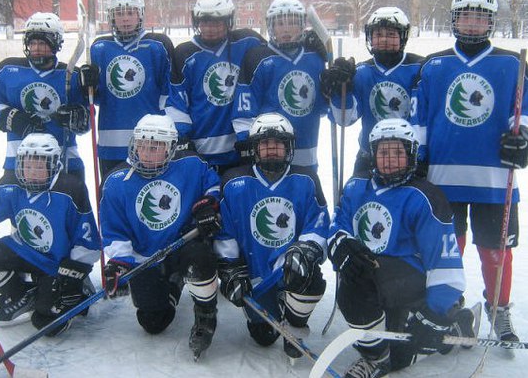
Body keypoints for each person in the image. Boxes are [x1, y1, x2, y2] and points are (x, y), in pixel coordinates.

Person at [412, 0, 528, 343]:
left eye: (480, 16)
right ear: (455, 19)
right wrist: (418, 159)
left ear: (490, 22)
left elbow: (522, 111)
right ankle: (449, 306)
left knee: (496, 253)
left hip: (493, 180)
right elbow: (421, 119)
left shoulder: (512, 64)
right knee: (448, 250)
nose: (473, 23)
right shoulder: (435, 65)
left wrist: (521, 138)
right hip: (443, 179)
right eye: (466, 15)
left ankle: (499, 310)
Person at [327, 119, 474, 378]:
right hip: (374, 279)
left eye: (398, 152)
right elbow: (338, 225)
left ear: (411, 155)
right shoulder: (355, 187)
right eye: (384, 152)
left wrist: (436, 312)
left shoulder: (425, 197)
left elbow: (444, 261)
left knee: (410, 348)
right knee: (397, 353)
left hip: (410, 283)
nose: (391, 160)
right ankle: (377, 357)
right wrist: (341, 245)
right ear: (372, 155)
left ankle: (453, 320)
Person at [0, 133, 101, 336]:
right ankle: (20, 293)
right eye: (27, 165)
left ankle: (77, 293)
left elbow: (87, 236)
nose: (32, 172)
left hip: (56, 263)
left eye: (39, 166)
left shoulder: (70, 188)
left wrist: (76, 269)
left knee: (46, 322)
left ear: (53, 165)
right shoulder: (10, 184)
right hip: (22, 250)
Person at [99, 114, 222, 360]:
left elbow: (214, 185)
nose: (147, 151)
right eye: (143, 144)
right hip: (146, 258)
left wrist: (207, 205)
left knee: (201, 259)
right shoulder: (115, 182)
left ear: (171, 148)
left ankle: (206, 314)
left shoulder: (190, 165)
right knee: (152, 322)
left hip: (183, 244)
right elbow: (114, 230)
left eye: (156, 146)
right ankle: (174, 284)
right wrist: (119, 262)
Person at [214, 113, 329, 359]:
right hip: (256, 275)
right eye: (265, 144)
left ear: (289, 147)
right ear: (255, 148)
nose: (272, 149)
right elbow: (226, 232)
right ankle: (269, 305)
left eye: (278, 143)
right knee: (263, 336)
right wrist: (231, 268)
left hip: (290, 265)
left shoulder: (306, 179)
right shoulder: (234, 182)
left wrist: (306, 250)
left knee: (310, 277)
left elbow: (318, 223)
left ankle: (295, 326)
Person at [165, 0, 265, 174]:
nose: (210, 28)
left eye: (217, 22)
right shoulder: (184, 54)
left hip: (241, 148)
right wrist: (182, 138)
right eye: (204, 22)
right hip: (201, 150)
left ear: (228, 21)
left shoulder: (248, 42)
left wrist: (309, 43)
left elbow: (275, 56)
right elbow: (177, 102)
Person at [80, 0, 175, 179]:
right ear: (111, 17)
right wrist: (88, 85)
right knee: (113, 197)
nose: (125, 19)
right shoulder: (99, 48)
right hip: (111, 142)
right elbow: (96, 98)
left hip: (150, 142)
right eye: (119, 13)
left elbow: (168, 94)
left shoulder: (156, 47)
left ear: (140, 15)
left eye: (130, 13)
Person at [0, 12, 90, 182]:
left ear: (56, 43)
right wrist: (11, 118)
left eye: (42, 43)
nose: (36, 48)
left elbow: (86, 119)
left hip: (65, 163)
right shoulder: (7, 70)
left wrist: (77, 117)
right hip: (19, 162)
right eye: (32, 42)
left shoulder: (72, 75)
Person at [322, 7, 423, 177]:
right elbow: (345, 120)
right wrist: (340, 91)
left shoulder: (418, 69)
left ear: (403, 37)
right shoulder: (361, 72)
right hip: (370, 156)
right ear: (370, 37)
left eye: (391, 34)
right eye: (378, 34)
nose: (384, 39)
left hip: (408, 157)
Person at [232, 0, 330, 170]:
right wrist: (248, 146)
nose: (285, 29)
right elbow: (244, 112)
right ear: (271, 27)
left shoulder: (315, 58)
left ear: (301, 26)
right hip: (269, 155)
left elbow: (324, 109)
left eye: (292, 23)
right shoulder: (257, 58)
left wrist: (337, 89)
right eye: (279, 23)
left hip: (306, 155)